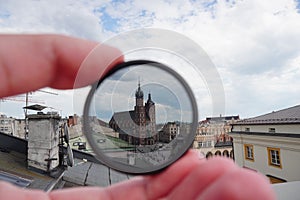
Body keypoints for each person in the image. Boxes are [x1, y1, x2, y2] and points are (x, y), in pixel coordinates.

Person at [0, 34, 275, 200]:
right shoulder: (128, 114)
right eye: (141, 100)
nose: (142, 104)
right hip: (123, 132)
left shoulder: (149, 116)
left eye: (144, 102)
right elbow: (120, 129)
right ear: (138, 101)